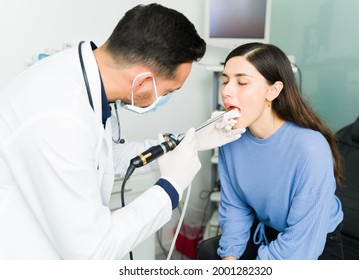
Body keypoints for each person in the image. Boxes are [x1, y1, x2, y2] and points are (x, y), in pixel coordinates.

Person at [0, 4, 245, 259]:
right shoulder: (61, 116)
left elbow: (109, 157)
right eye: (169, 91)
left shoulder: (85, 81)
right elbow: (92, 252)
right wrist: (170, 187)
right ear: (142, 81)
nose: (165, 97)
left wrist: (187, 143)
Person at [198, 42, 344, 260]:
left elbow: (300, 243)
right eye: (225, 81)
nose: (227, 91)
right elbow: (235, 205)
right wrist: (229, 257)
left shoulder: (311, 148)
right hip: (267, 233)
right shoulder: (230, 139)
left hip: (313, 243)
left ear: (273, 90)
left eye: (242, 82)